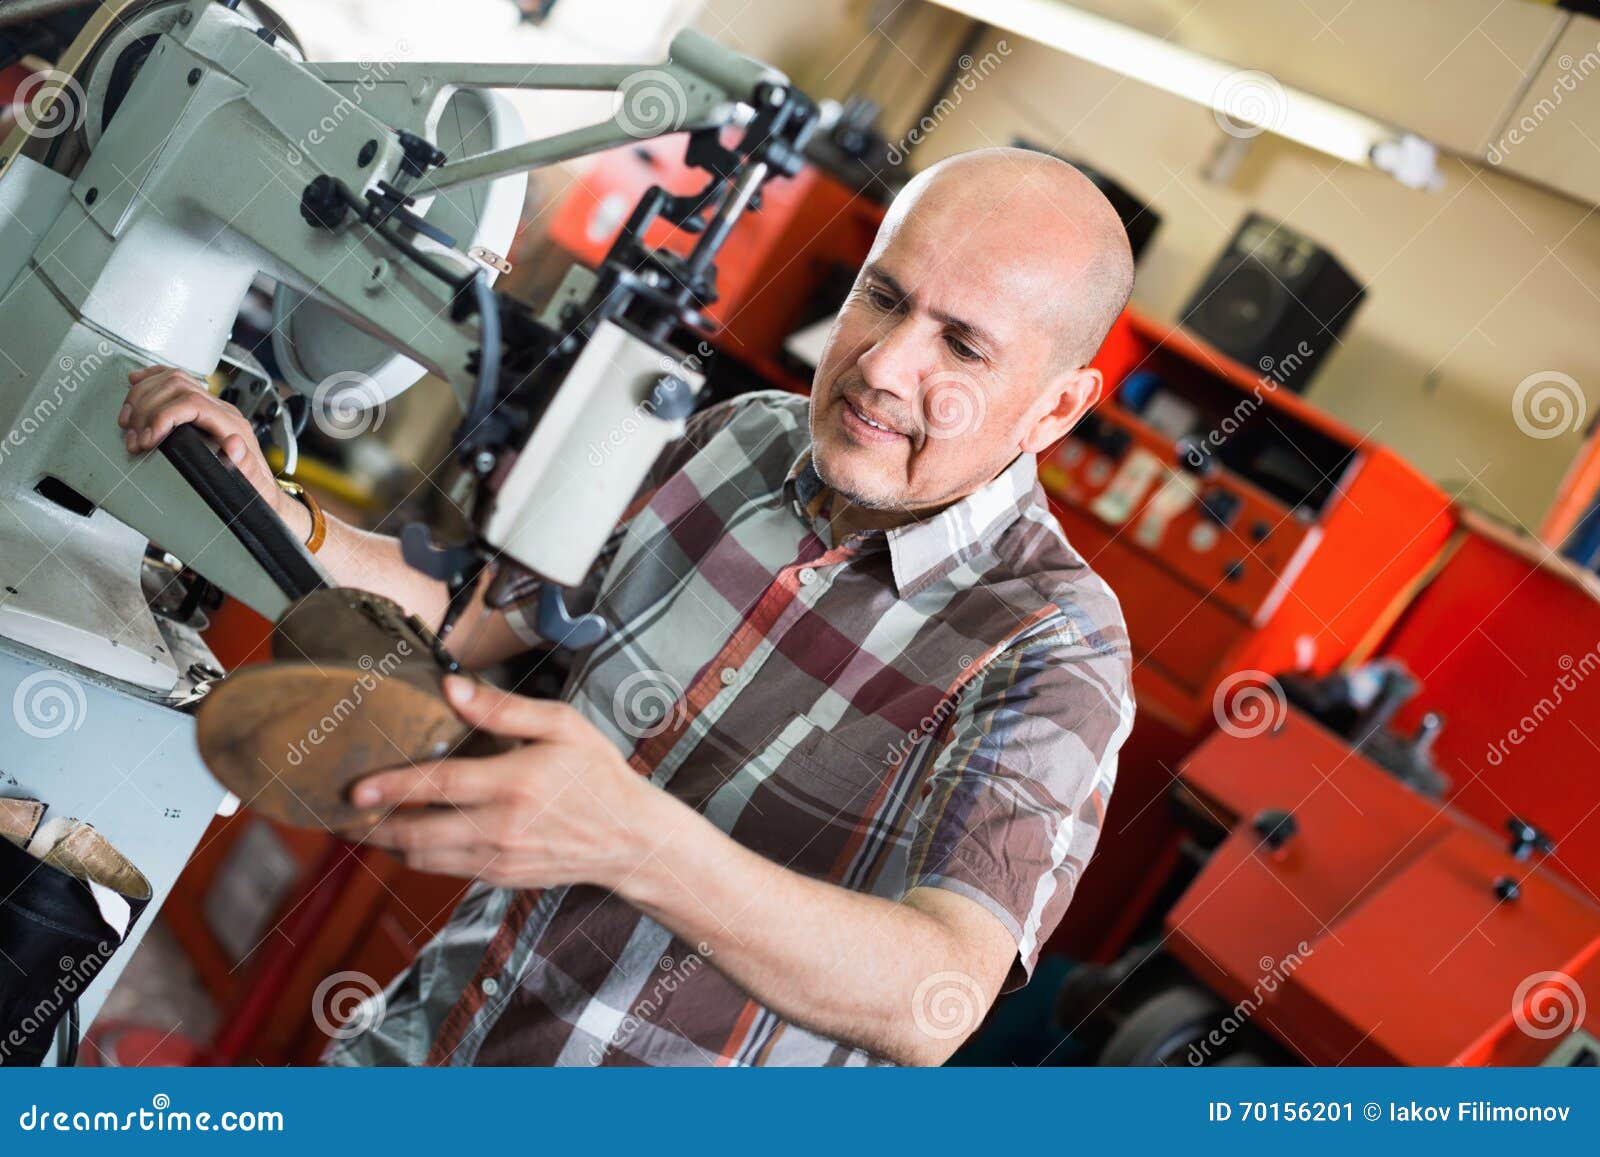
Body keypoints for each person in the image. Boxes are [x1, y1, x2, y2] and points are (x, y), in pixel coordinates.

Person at [120, 146, 1136, 1066]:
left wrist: (636, 840)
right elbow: (477, 614)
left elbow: (937, 997)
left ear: (1055, 407)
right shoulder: (738, 438)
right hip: (424, 1044)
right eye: (882, 295)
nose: (879, 363)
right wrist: (270, 502)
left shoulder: (1053, 643)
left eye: (961, 345)